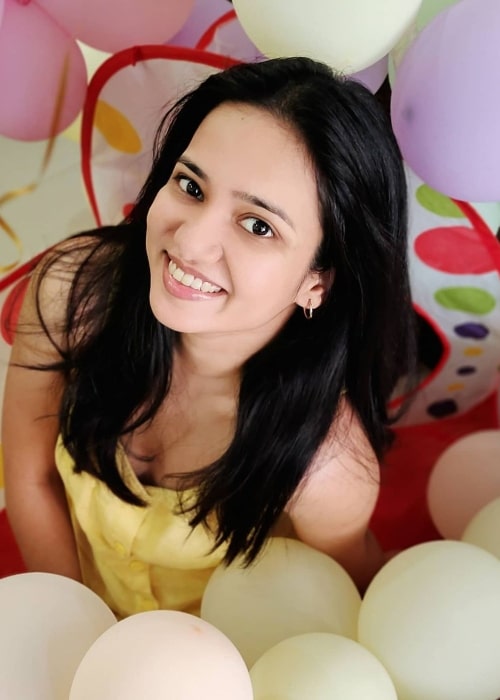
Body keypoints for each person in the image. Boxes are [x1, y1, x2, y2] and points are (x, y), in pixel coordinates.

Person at [1, 56, 416, 619]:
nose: (190, 242)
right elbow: (30, 476)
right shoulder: (72, 293)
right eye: (191, 185)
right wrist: (79, 635)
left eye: (258, 225)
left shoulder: (326, 464)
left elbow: (346, 599)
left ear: (317, 282)